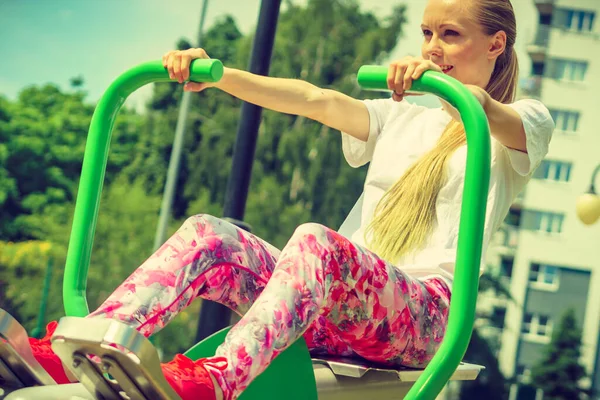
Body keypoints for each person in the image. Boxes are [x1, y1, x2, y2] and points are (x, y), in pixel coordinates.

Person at [6, 0, 555, 399]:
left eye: (451, 35)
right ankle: (71, 352)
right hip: (339, 301)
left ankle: (218, 379)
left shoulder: (521, 123)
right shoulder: (399, 116)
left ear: (496, 44)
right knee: (209, 233)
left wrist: (458, 93)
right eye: (427, 33)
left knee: (317, 242)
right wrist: (217, 76)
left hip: (425, 317)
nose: (432, 48)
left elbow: (490, 110)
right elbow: (314, 100)